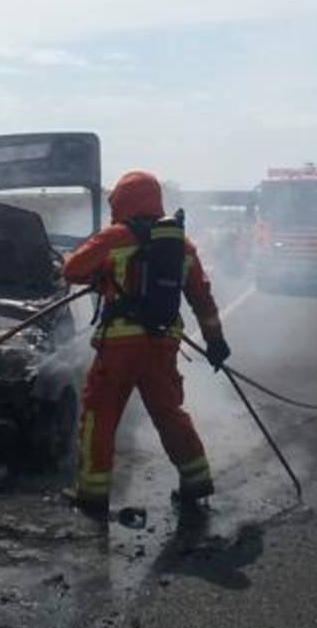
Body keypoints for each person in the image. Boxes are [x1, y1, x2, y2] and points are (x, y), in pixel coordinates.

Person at [61, 170, 232, 515]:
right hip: (162, 344)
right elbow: (202, 298)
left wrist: (101, 274)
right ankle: (196, 482)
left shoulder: (115, 237)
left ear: (123, 201)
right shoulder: (182, 246)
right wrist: (216, 342)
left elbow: (72, 271)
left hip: (119, 349)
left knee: (100, 416)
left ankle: (92, 494)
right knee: (170, 414)